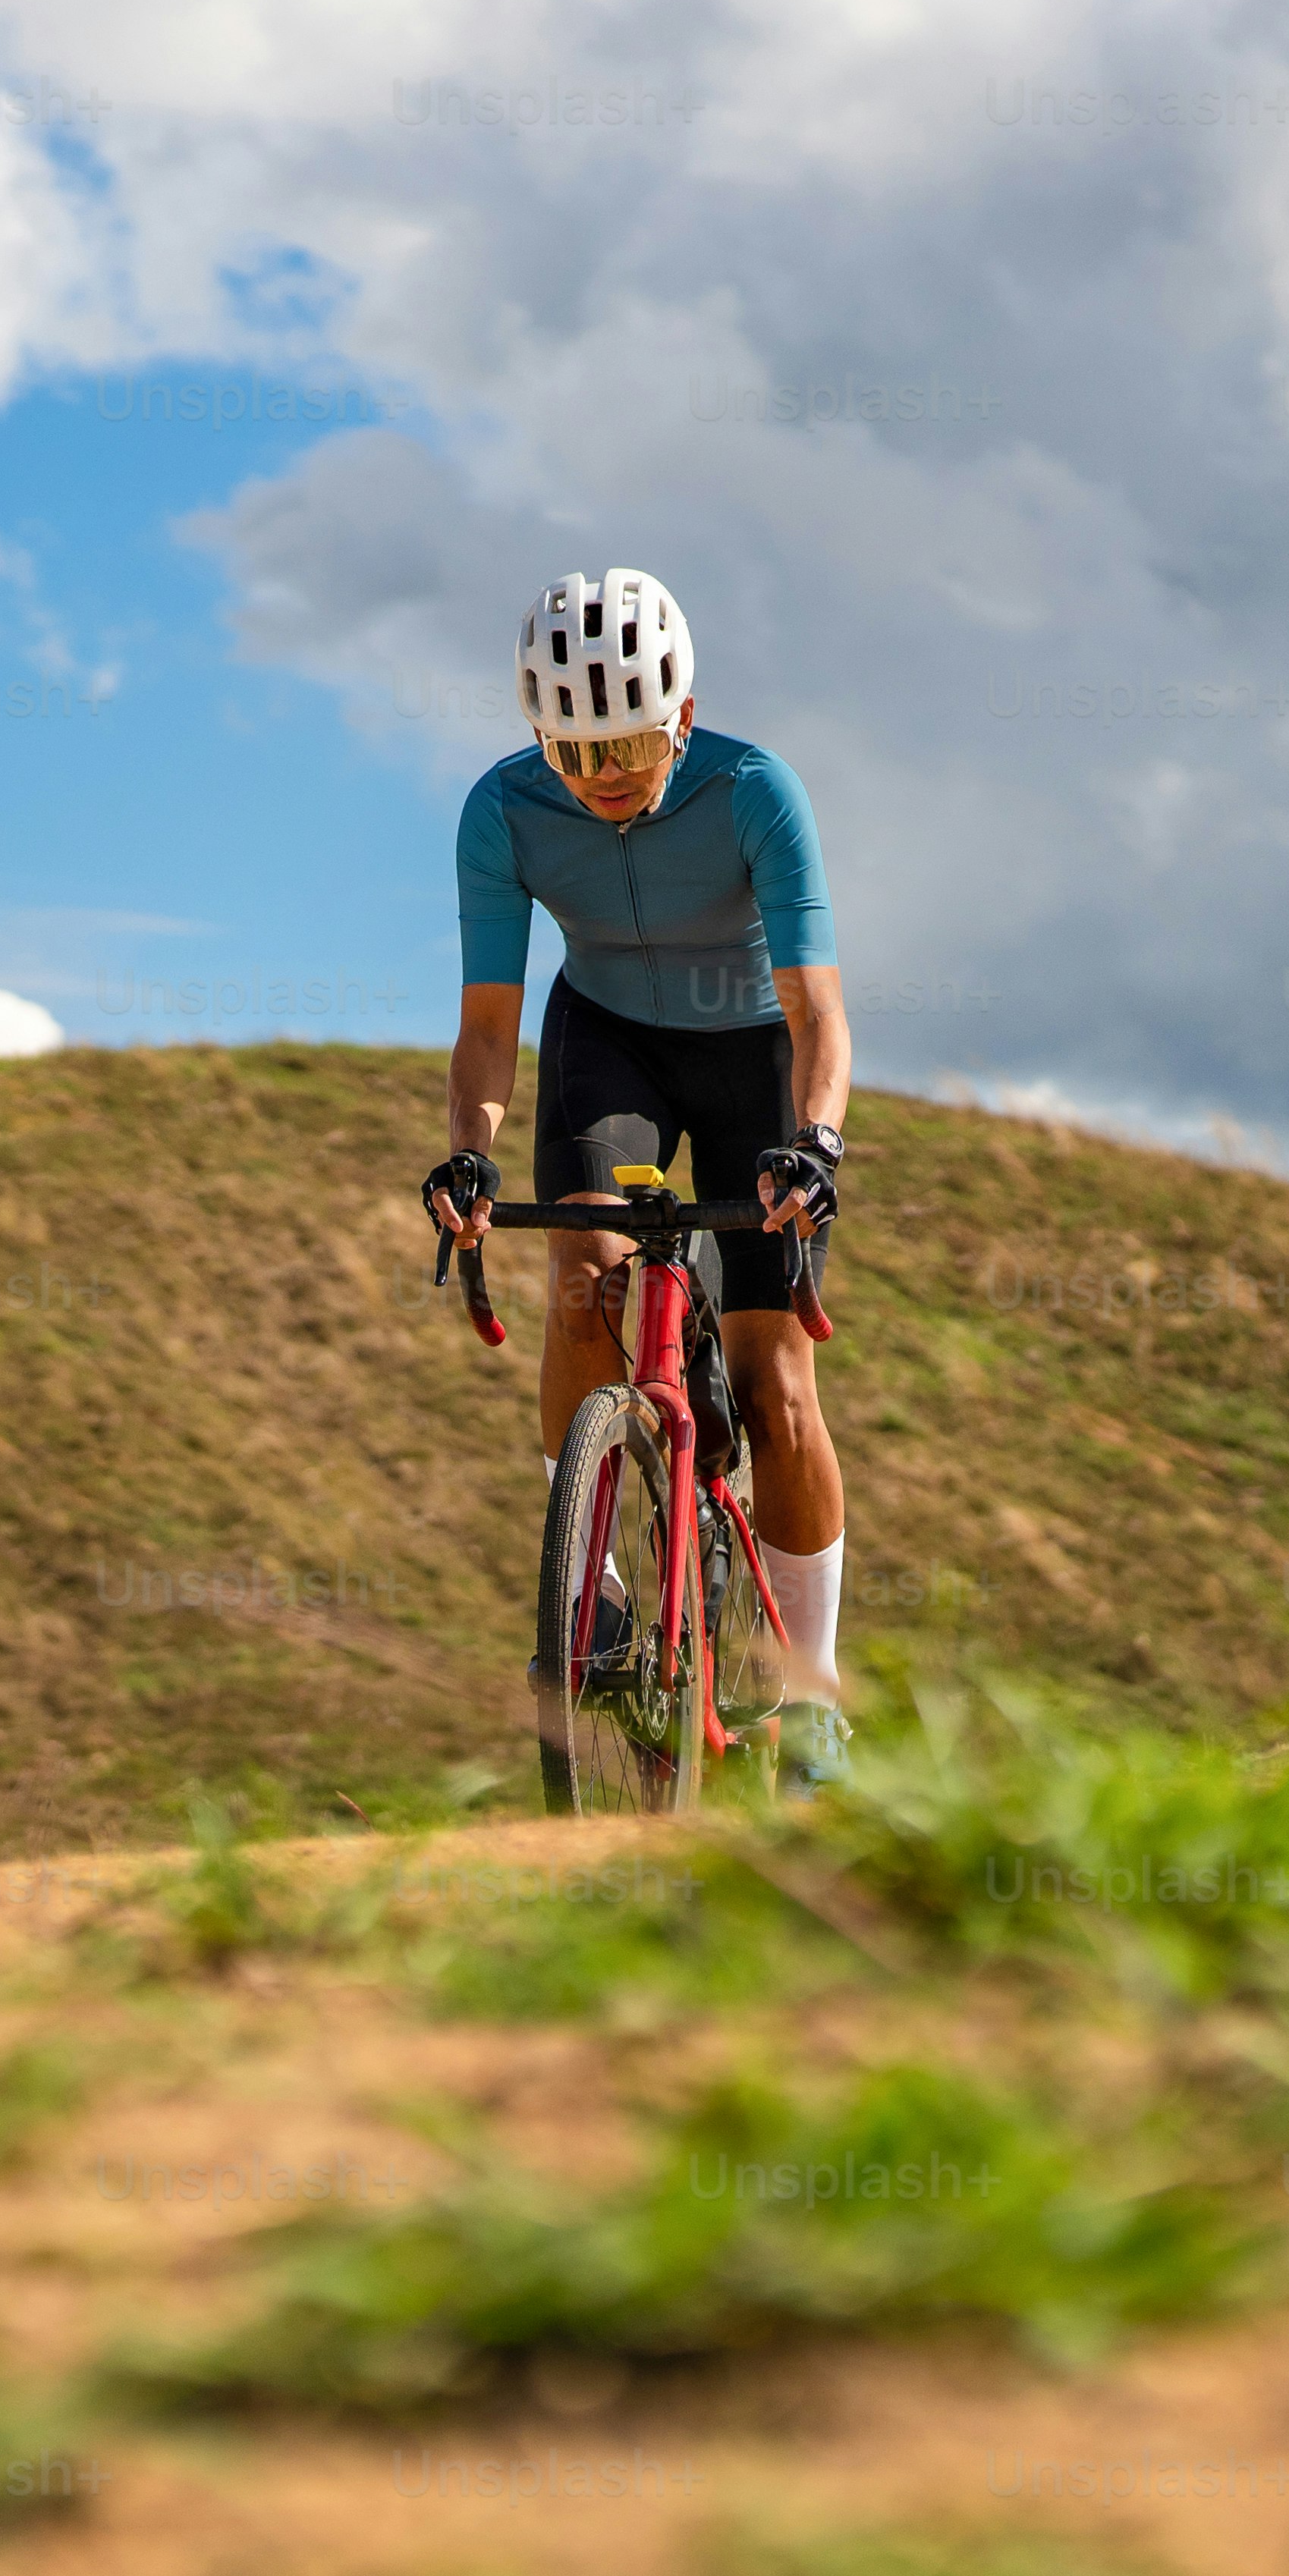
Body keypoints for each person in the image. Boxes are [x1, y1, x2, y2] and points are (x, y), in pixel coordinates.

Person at [417, 567, 855, 1773]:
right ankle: (592, 1582)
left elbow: (819, 1014)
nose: (604, 774)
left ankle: (812, 1695)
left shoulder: (758, 791)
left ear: (683, 715)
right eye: (573, 751)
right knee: (583, 1280)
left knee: (775, 1386)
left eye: (629, 744)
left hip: (751, 1054)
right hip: (608, 1038)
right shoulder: (499, 814)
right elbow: (488, 1028)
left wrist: (814, 1143)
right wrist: (470, 1151)